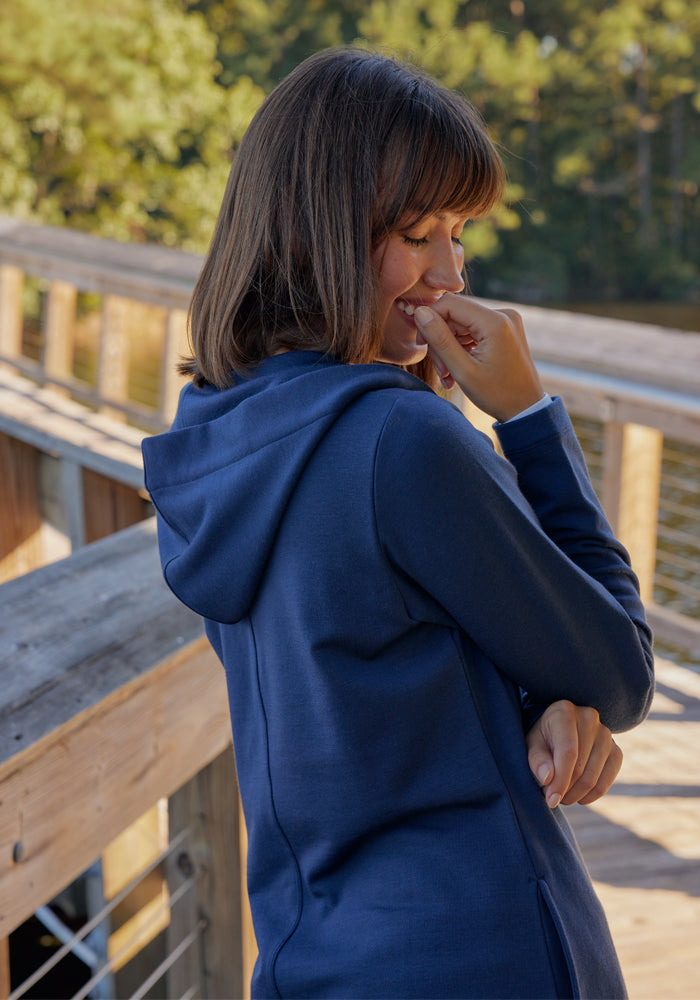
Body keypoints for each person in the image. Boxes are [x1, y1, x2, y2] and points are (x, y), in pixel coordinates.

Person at [142, 47, 654, 1000]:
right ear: (314, 233)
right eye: (418, 234)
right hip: (479, 951)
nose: (451, 272)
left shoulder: (217, 435)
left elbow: (381, 670)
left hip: (312, 956)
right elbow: (619, 668)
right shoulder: (399, 440)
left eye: (459, 234)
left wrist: (540, 705)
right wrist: (533, 420)